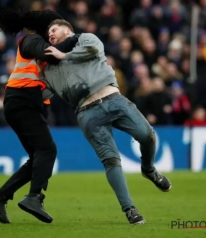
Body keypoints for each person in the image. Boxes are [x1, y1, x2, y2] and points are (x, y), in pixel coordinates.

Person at [41, 19, 172, 224]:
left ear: (67, 29)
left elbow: (93, 50)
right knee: (111, 160)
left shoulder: (86, 39)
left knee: (147, 136)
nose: (50, 34)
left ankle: (148, 170)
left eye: (54, 30)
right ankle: (130, 209)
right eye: (48, 33)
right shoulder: (49, 68)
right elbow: (45, 93)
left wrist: (64, 54)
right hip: (86, 112)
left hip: (113, 99)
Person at [0, 7, 79, 225]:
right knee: (47, 150)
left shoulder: (39, 44)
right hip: (22, 100)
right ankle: (34, 197)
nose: (52, 34)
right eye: (50, 29)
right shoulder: (31, 41)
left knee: (38, 158)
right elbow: (50, 55)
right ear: (43, 29)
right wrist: (78, 39)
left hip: (25, 102)